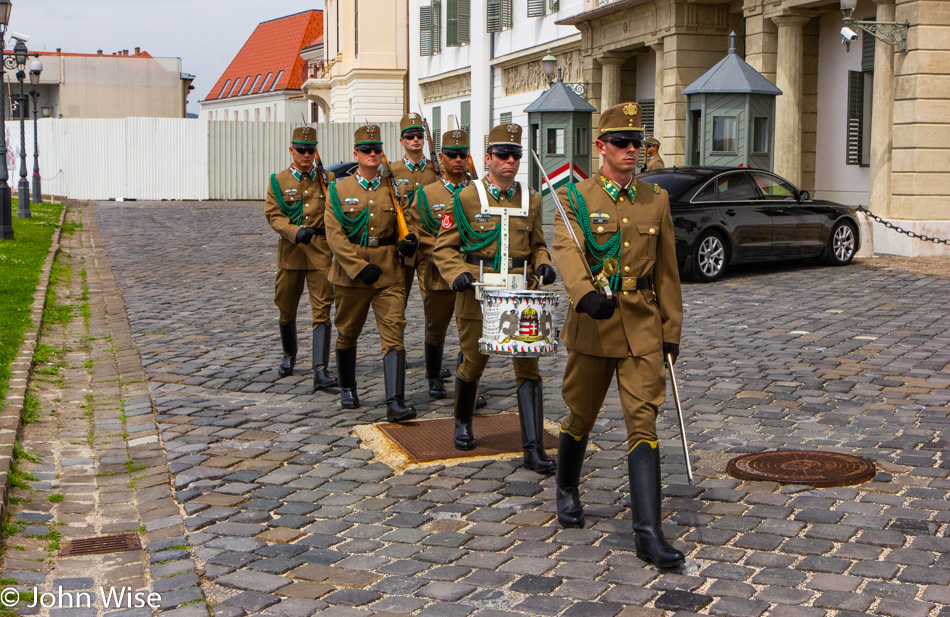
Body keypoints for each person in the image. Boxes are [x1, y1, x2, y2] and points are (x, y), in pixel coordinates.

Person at [552, 102, 684, 569]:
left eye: (639, 143)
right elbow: (567, 250)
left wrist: (671, 329)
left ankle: (648, 532)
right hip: (595, 326)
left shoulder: (656, 200)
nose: (633, 151)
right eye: (623, 143)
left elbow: (668, 272)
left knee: (643, 423)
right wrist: (583, 294)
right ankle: (567, 488)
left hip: (643, 325)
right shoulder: (575, 198)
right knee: (580, 414)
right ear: (601, 146)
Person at [431, 122, 557, 474]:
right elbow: (445, 247)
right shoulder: (467, 197)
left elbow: (537, 244)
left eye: (515, 155)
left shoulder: (530, 198)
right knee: (473, 361)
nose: (510, 162)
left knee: (528, 367)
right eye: (502, 155)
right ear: (487, 158)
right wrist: (457, 273)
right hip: (478, 294)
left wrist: (543, 264)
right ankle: (463, 421)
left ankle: (533, 448)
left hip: (520, 295)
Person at [324, 124, 419, 421]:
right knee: (347, 331)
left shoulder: (394, 188)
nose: (373, 154)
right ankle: (348, 387)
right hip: (351, 274)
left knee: (394, 332)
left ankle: (395, 401)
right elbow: (335, 235)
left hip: (389, 271)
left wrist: (409, 242)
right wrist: (358, 267)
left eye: (378, 150)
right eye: (367, 150)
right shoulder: (339, 190)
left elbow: (408, 222)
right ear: (356, 154)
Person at [264, 126, 338, 392]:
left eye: (310, 150)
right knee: (286, 305)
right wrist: (295, 232)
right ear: (291, 150)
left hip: (320, 251)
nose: (306, 155)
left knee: (322, 309)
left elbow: (334, 210)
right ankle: (289, 354)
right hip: (292, 253)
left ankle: (320, 369)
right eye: (301, 150)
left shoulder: (326, 178)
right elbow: (274, 215)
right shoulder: (278, 181)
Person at [411, 129, 471, 399]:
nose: (458, 159)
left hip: (471, 274)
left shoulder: (477, 192)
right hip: (437, 274)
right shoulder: (426, 194)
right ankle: (434, 375)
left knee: (469, 329)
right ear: (441, 158)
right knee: (436, 327)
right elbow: (420, 233)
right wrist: (448, 259)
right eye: (452, 155)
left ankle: (466, 381)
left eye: (462, 154)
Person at [390, 112, 438, 303]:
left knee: (432, 302)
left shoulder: (436, 169)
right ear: (402, 141)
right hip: (403, 243)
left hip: (429, 241)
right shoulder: (391, 171)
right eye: (410, 136)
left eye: (419, 135)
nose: (415, 139)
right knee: (397, 301)